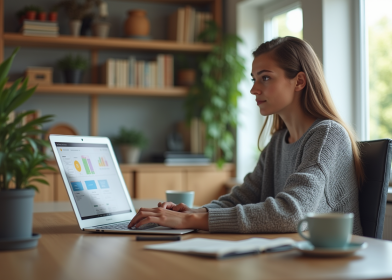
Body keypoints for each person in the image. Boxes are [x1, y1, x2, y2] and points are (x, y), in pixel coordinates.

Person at [128, 36, 364, 235]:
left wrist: (191, 221)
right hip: (292, 256)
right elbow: (241, 198)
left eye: (266, 77)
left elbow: (292, 213)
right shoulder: (278, 142)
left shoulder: (327, 135)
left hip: (332, 266)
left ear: (299, 81)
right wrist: (194, 212)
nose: (253, 89)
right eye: (254, 79)